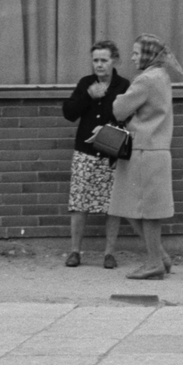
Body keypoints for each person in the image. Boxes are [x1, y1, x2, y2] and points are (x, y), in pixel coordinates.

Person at [109, 33, 183, 279]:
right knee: (138, 208)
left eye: (136, 52)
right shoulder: (161, 76)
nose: (132, 57)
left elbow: (119, 110)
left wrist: (116, 96)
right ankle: (160, 256)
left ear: (148, 55)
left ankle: (155, 262)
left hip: (143, 150)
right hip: (155, 149)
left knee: (143, 211)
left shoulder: (146, 79)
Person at [60, 40, 129, 267]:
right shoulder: (85, 83)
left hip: (111, 154)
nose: (99, 65)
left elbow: (129, 118)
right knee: (79, 202)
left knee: (113, 205)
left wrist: (109, 130)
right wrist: (88, 95)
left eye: (104, 60)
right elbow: (69, 113)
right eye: (95, 60)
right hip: (85, 152)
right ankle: (74, 251)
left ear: (114, 61)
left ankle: (109, 253)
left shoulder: (123, 86)